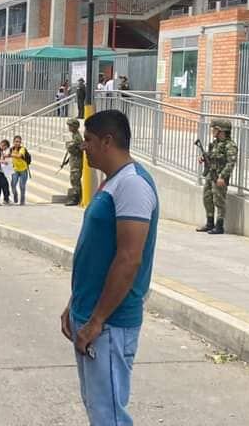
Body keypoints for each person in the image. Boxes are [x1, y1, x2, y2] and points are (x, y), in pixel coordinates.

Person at [60, 109, 159, 426]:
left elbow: (129, 259)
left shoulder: (132, 185)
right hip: (90, 314)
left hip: (111, 324)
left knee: (109, 417)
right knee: (98, 409)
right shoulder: (113, 183)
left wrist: (97, 320)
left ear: (108, 141)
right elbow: (96, 253)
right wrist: (74, 305)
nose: (83, 147)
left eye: (88, 141)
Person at [197, 119, 239, 235]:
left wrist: (222, 177)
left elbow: (231, 163)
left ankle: (219, 226)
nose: (213, 131)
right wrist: (203, 158)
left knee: (219, 201)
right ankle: (209, 223)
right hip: (211, 174)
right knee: (207, 198)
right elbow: (212, 156)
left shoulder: (230, 145)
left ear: (221, 131)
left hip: (219, 176)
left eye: (215, 129)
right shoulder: (215, 143)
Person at [65, 118, 85, 206]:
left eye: (70, 126)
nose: (69, 127)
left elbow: (77, 148)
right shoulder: (74, 135)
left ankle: (75, 198)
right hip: (74, 160)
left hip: (77, 162)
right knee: (74, 179)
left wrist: (69, 146)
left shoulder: (77, 137)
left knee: (75, 180)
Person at [9, 135, 30, 206]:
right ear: (13, 142)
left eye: (19, 142)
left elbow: (19, 156)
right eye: (16, 141)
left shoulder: (22, 149)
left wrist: (10, 155)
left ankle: (22, 201)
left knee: (22, 186)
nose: (17, 143)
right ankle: (15, 194)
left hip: (23, 169)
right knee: (13, 185)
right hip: (15, 169)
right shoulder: (11, 149)